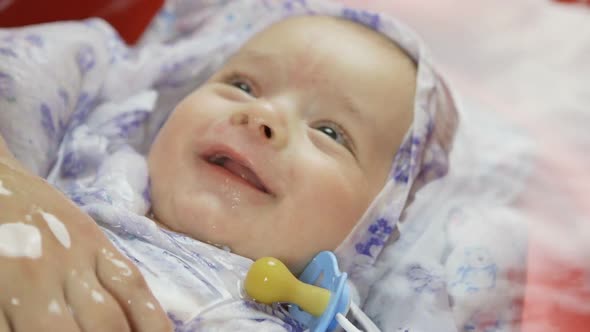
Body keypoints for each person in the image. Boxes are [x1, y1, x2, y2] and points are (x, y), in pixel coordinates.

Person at [0, 0, 457, 330]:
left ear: (375, 229)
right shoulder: (79, 164)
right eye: (243, 85)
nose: (263, 117)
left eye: (330, 132)